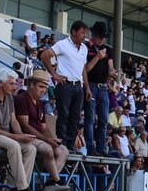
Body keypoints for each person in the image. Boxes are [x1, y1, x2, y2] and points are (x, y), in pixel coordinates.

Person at [14, 70, 73, 191]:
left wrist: (52, 139)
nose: (44, 90)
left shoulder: (40, 103)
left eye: (45, 87)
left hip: (39, 138)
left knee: (63, 151)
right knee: (47, 149)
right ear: (31, 85)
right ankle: (58, 182)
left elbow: (44, 127)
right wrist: (47, 140)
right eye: (41, 86)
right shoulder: (21, 99)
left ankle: (51, 182)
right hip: (26, 137)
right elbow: (25, 125)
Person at [41, 20, 88, 152]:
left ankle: (71, 144)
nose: (84, 35)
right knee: (64, 115)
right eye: (82, 32)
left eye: (85, 33)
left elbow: (83, 68)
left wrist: (87, 87)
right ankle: (62, 144)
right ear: (73, 31)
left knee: (75, 117)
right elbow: (45, 55)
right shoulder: (63, 44)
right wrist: (54, 74)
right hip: (65, 84)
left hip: (78, 85)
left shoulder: (84, 48)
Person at [84, 21, 114, 155]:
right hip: (90, 84)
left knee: (103, 119)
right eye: (100, 36)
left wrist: (112, 72)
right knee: (90, 118)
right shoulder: (85, 47)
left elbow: (110, 65)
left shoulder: (108, 49)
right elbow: (85, 69)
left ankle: (101, 148)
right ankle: (90, 147)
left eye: (103, 36)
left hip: (103, 87)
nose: (102, 39)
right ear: (94, 34)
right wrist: (97, 57)